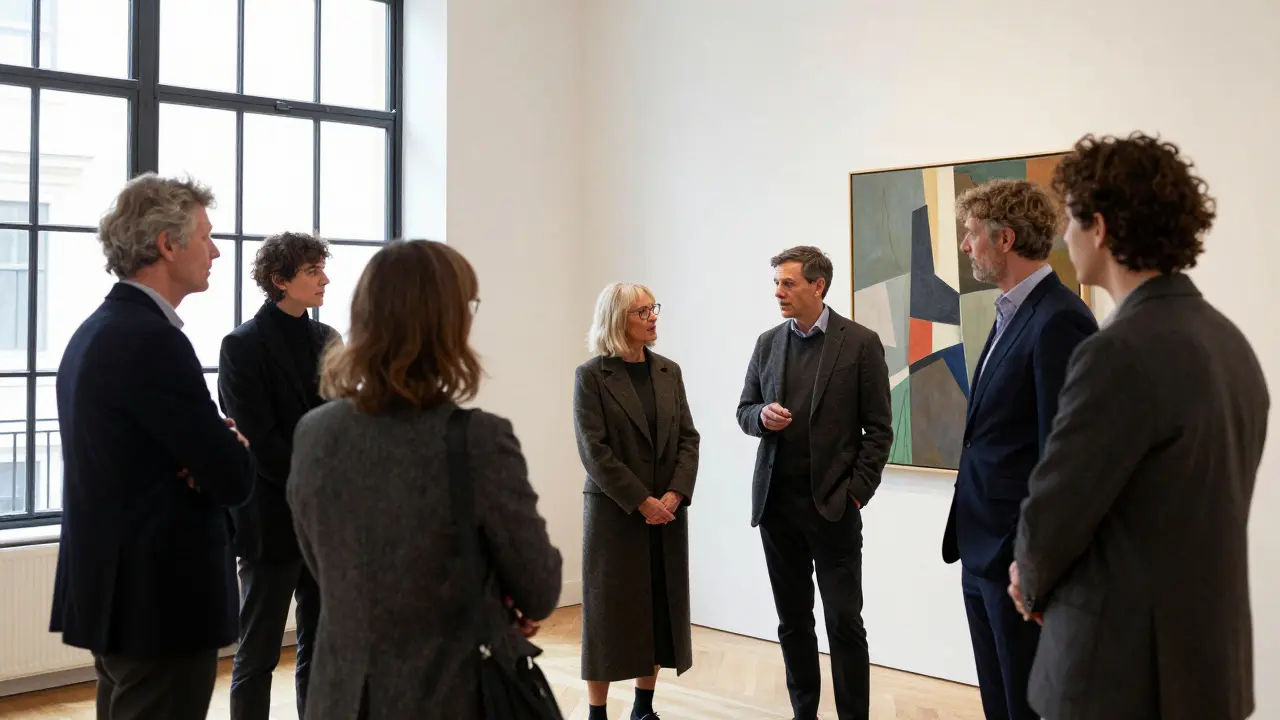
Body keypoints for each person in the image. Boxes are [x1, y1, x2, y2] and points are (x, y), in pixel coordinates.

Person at [1009, 132, 1268, 720]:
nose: (1063, 237)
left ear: (1098, 228)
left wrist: (1029, 579)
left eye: (1070, 220)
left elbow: (1057, 505)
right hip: (1208, 662)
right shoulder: (1229, 342)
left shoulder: (1118, 352)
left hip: (1120, 672)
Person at [286, 239, 563, 719]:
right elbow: (539, 586)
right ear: (448, 323)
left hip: (340, 698)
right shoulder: (479, 439)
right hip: (450, 695)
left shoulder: (314, 434)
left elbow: (324, 563)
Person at [49, 173, 255, 720]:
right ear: (168, 244)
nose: (215, 251)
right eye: (206, 236)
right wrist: (229, 447)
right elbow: (231, 473)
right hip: (158, 599)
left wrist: (207, 456)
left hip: (116, 592)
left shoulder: (96, 329)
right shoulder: (152, 340)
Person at [940, 180, 1097, 720]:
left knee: (1027, 707)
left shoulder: (1060, 318)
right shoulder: (1010, 312)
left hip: (1014, 556)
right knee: (998, 703)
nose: (966, 246)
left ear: (1003, 238)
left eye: (970, 235)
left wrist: (1029, 557)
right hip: (979, 545)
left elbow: (1064, 454)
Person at [735, 246, 893, 720]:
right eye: (777, 284)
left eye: (788, 283)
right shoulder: (767, 343)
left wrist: (856, 493)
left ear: (817, 285)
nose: (778, 293)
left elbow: (880, 430)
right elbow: (743, 409)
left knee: (844, 622)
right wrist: (761, 415)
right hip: (777, 509)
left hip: (834, 508)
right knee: (793, 622)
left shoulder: (860, 343)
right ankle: (804, 712)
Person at [218, 232, 339, 720]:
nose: (324, 278)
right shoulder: (241, 345)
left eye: (321, 269)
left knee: (322, 646)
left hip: (324, 520)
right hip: (271, 517)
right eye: (312, 271)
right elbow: (261, 442)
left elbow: (343, 419)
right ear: (280, 280)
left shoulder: (328, 339)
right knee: (259, 651)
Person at [573, 283, 700, 720]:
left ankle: (643, 710)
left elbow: (688, 437)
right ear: (616, 320)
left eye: (653, 309)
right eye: (642, 312)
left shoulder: (669, 371)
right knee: (607, 617)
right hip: (615, 514)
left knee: (657, 609)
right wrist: (642, 500)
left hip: (666, 514)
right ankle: (597, 712)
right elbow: (594, 452)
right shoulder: (591, 376)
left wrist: (675, 493)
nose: (652, 317)